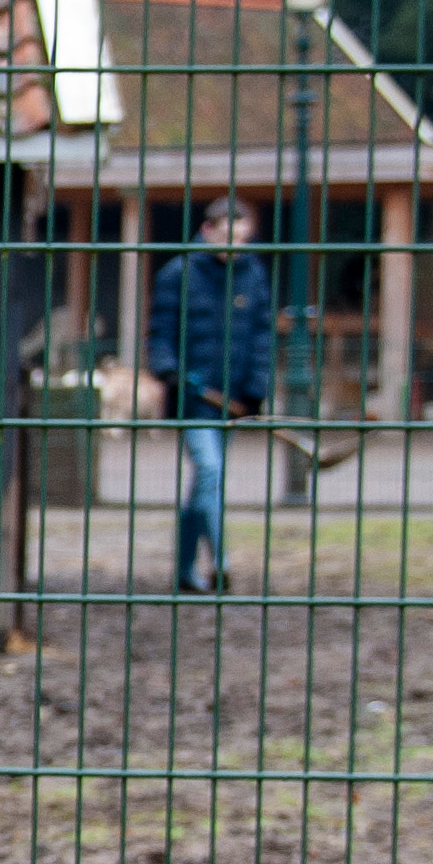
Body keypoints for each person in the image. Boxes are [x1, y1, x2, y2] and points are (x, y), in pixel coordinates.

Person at [145, 196, 276, 594]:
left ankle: (185, 570)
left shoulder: (253, 274)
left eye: (241, 236)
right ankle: (221, 560)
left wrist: (257, 388)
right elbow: (160, 332)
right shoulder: (178, 273)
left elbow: (262, 336)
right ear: (208, 230)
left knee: (204, 485)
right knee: (211, 471)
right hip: (194, 396)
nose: (233, 244)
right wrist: (167, 368)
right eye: (226, 234)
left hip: (233, 399)